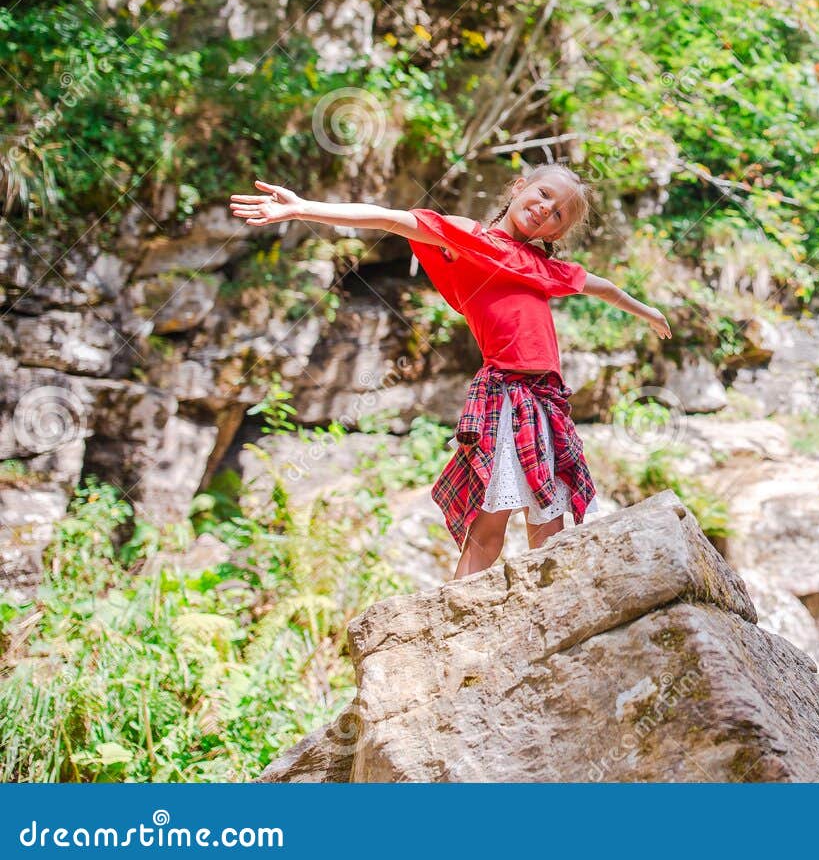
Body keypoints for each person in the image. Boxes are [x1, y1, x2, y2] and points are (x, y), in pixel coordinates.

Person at [228, 164, 671, 580]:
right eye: (543, 194)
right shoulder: (467, 237)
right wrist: (303, 208)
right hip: (507, 392)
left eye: (558, 213)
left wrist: (647, 310)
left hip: (547, 401)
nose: (545, 209)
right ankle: (454, 615)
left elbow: (604, 288)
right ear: (519, 187)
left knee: (549, 514)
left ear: (558, 231)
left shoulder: (544, 269)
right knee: (491, 523)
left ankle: (549, 616)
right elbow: (388, 218)